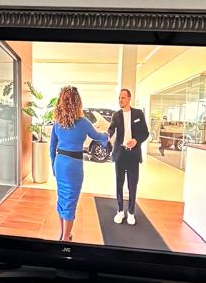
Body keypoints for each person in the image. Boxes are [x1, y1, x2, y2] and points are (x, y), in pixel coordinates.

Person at [48, 85, 106, 241]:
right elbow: (97, 136)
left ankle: (63, 233)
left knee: (62, 199)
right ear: (77, 102)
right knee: (70, 200)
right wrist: (107, 135)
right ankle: (66, 239)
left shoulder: (57, 122)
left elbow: (52, 146)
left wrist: (53, 165)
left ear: (61, 101)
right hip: (74, 165)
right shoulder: (83, 122)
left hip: (60, 163)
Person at [106, 86, 150, 225]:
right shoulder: (116, 115)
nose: (120, 100)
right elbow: (112, 128)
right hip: (120, 154)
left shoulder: (138, 114)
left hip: (133, 154)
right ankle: (120, 211)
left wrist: (136, 140)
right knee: (119, 184)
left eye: (123, 97)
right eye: (119, 97)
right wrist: (106, 135)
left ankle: (131, 212)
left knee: (132, 185)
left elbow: (145, 132)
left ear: (129, 98)